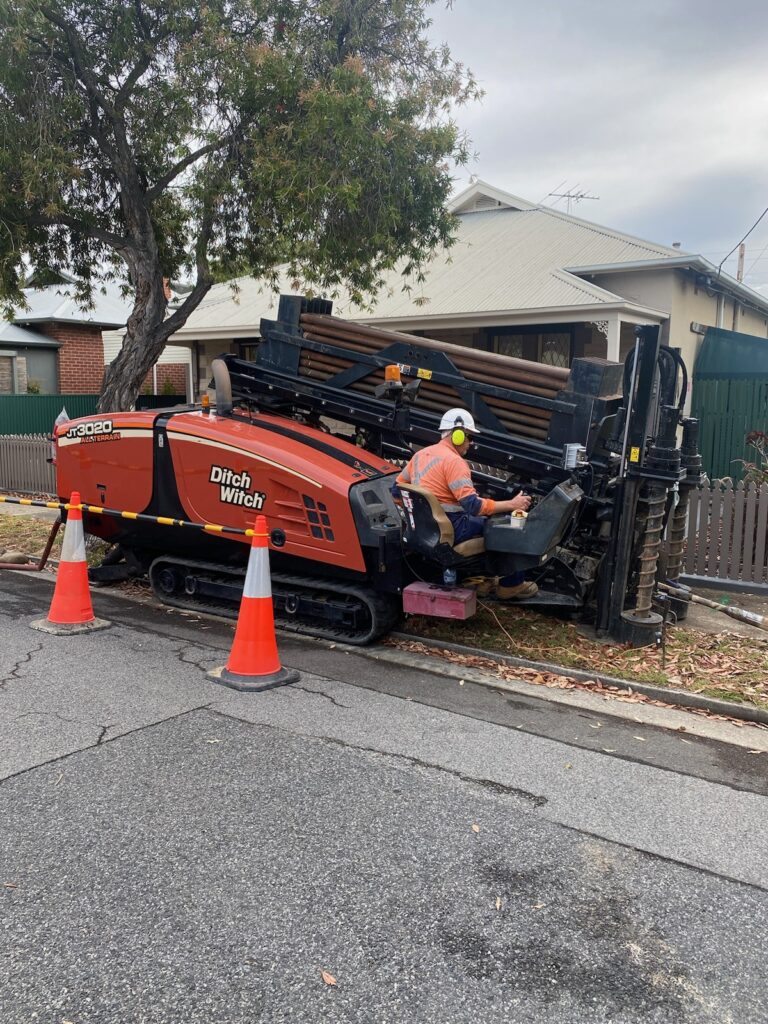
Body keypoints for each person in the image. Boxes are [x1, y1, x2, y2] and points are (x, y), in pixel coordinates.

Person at [396, 407, 538, 599]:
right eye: (470, 438)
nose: (471, 444)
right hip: (453, 527)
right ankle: (511, 585)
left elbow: (396, 490)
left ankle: (484, 578)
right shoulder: (455, 462)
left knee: (487, 522)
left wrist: (418, 515)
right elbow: (474, 507)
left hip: (424, 529)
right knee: (506, 527)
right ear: (457, 435)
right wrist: (512, 504)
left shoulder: (420, 455)